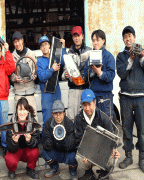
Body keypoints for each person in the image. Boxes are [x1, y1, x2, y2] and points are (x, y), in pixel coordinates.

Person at [74, 89, 120, 180]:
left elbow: (112, 139)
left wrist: (114, 150)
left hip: (101, 150)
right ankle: (88, 172)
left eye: (89, 104)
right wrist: (85, 152)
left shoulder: (104, 117)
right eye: (84, 105)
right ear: (81, 105)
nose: (87, 108)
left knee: (114, 156)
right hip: (87, 151)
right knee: (78, 156)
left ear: (95, 102)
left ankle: (104, 172)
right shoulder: (78, 119)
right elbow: (78, 140)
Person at [116, 26, 144, 172]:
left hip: (141, 98)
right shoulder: (121, 56)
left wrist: (141, 57)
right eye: (125, 36)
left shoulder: (143, 52)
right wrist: (131, 59)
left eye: (130, 36)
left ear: (134, 37)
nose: (128, 39)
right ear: (123, 39)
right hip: (126, 97)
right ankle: (128, 156)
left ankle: (142, 158)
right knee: (126, 128)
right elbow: (121, 74)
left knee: (142, 130)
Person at [61, 26, 92, 120]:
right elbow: (62, 74)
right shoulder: (68, 53)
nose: (76, 38)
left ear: (82, 36)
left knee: (87, 117)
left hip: (86, 89)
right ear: (72, 38)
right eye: (74, 36)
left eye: (78, 35)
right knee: (71, 117)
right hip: (73, 90)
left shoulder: (89, 51)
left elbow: (93, 70)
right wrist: (65, 75)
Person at [5, 97, 40, 179]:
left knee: (35, 152)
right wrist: (14, 141)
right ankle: (11, 170)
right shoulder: (11, 124)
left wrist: (30, 140)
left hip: (27, 150)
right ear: (16, 111)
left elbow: (37, 142)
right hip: (16, 150)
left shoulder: (33, 123)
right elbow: (9, 148)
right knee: (9, 159)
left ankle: (30, 169)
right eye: (20, 110)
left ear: (28, 111)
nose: (22, 112)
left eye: (24, 110)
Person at [83, 30, 115, 119]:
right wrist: (92, 71)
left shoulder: (109, 56)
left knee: (106, 124)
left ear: (103, 40)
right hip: (93, 96)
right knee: (94, 124)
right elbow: (85, 74)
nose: (95, 43)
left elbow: (111, 75)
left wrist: (100, 73)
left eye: (97, 40)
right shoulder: (90, 57)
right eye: (93, 41)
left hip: (105, 96)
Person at [42, 100, 77, 180]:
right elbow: (45, 141)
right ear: (52, 114)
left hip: (66, 153)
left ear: (64, 113)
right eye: (55, 114)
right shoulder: (48, 123)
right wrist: (54, 137)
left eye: (60, 113)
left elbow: (73, 144)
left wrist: (63, 138)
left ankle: (72, 170)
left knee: (74, 155)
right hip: (55, 152)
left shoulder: (69, 123)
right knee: (44, 152)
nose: (58, 116)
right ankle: (55, 168)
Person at [36, 36, 64, 131]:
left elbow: (64, 62)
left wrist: (62, 47)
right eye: (42, 45)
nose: (44, 47)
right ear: (40, 48)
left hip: (57, 92)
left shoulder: (55, 58)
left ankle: (58, 140)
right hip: (46, 94)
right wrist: (52, 69)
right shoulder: (39, 62)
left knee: (59, 119)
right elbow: (42, 77)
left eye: (46, 44)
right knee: (47, 121)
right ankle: (46, 144)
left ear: (50, 46)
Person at [10, 31, 38, 122]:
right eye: (15, 42)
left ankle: (34, 136)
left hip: (30, 92)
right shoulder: (11, 57)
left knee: (33, 119)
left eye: (18, 41)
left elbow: (36, 70)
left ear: (22, 40)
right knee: (19, 120)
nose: (17, 44)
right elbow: (9, 74)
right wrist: (14, 78)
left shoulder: (31, 54)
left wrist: (35, 75)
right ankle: (20, 136)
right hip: (18, 93)